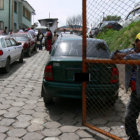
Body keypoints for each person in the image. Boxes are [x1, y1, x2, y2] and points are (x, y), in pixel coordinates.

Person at [112, 33, 140, 140]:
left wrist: (125, 56)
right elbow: (113, 55)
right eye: (139, 41)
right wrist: (123, 55)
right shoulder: (130, 51)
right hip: (135, 93)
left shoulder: (130, 54)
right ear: (136, 42)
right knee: (129, 117)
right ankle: (134, 137)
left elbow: (131, 57)